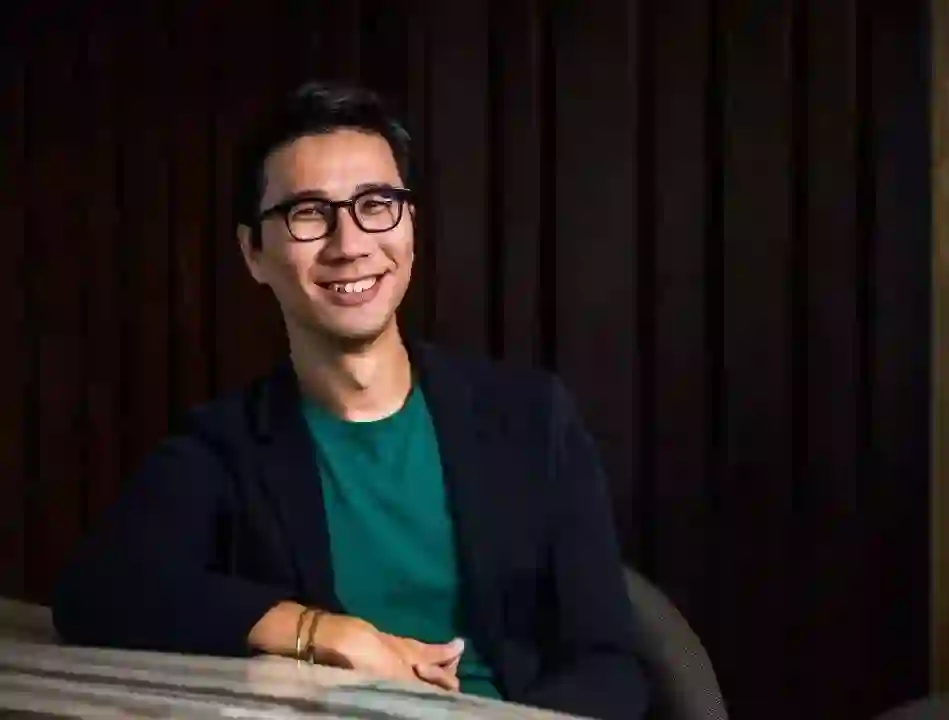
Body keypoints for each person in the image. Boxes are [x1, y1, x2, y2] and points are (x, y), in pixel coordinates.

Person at [51, 80, 648, 720]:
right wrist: (328, 634)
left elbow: (609, 666)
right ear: (253, 252)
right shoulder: (227, 447)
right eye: (308, 213)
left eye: (376, 204)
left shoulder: (530, 419)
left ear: (410, 226)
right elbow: (98, 591)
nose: (350, 243)